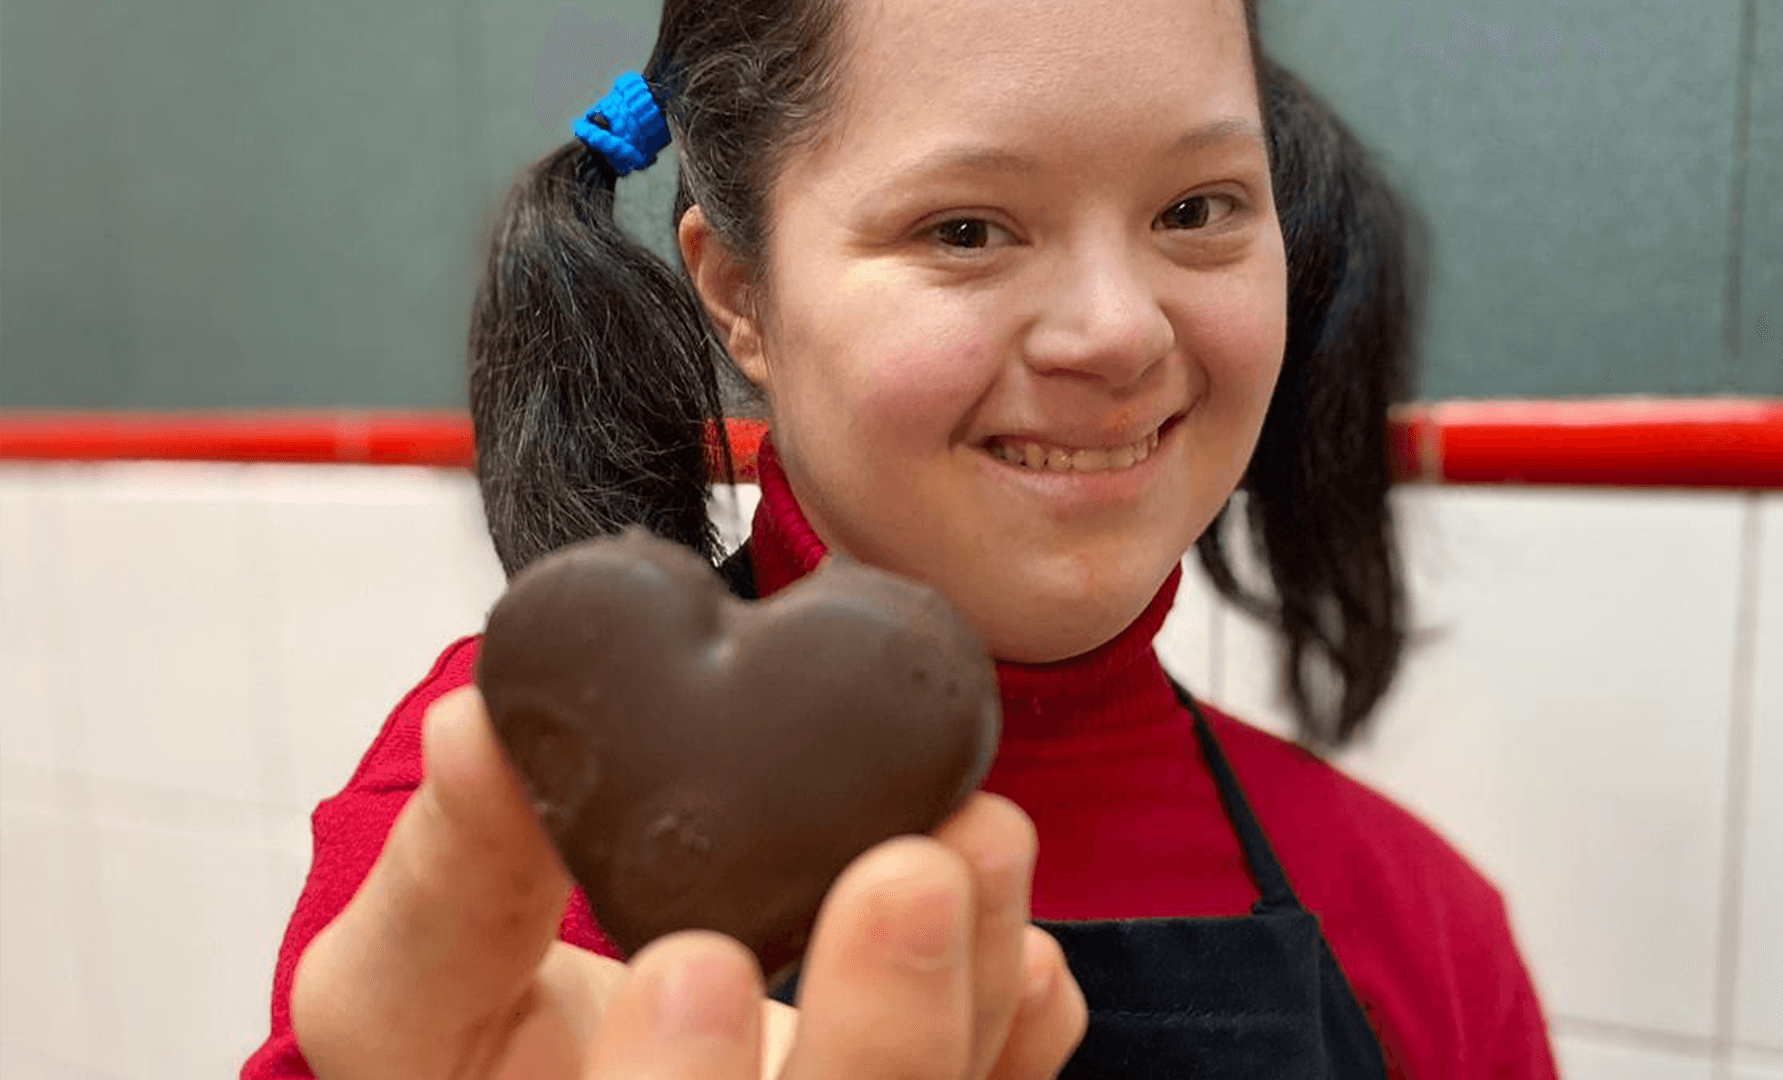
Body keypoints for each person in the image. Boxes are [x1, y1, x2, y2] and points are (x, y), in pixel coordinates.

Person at [244, 0, 1560, 1076]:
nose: (1117, 332)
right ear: (741, 296)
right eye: (967, 230)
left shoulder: (1421, 926)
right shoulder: (513, 832)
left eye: (1197, 210)